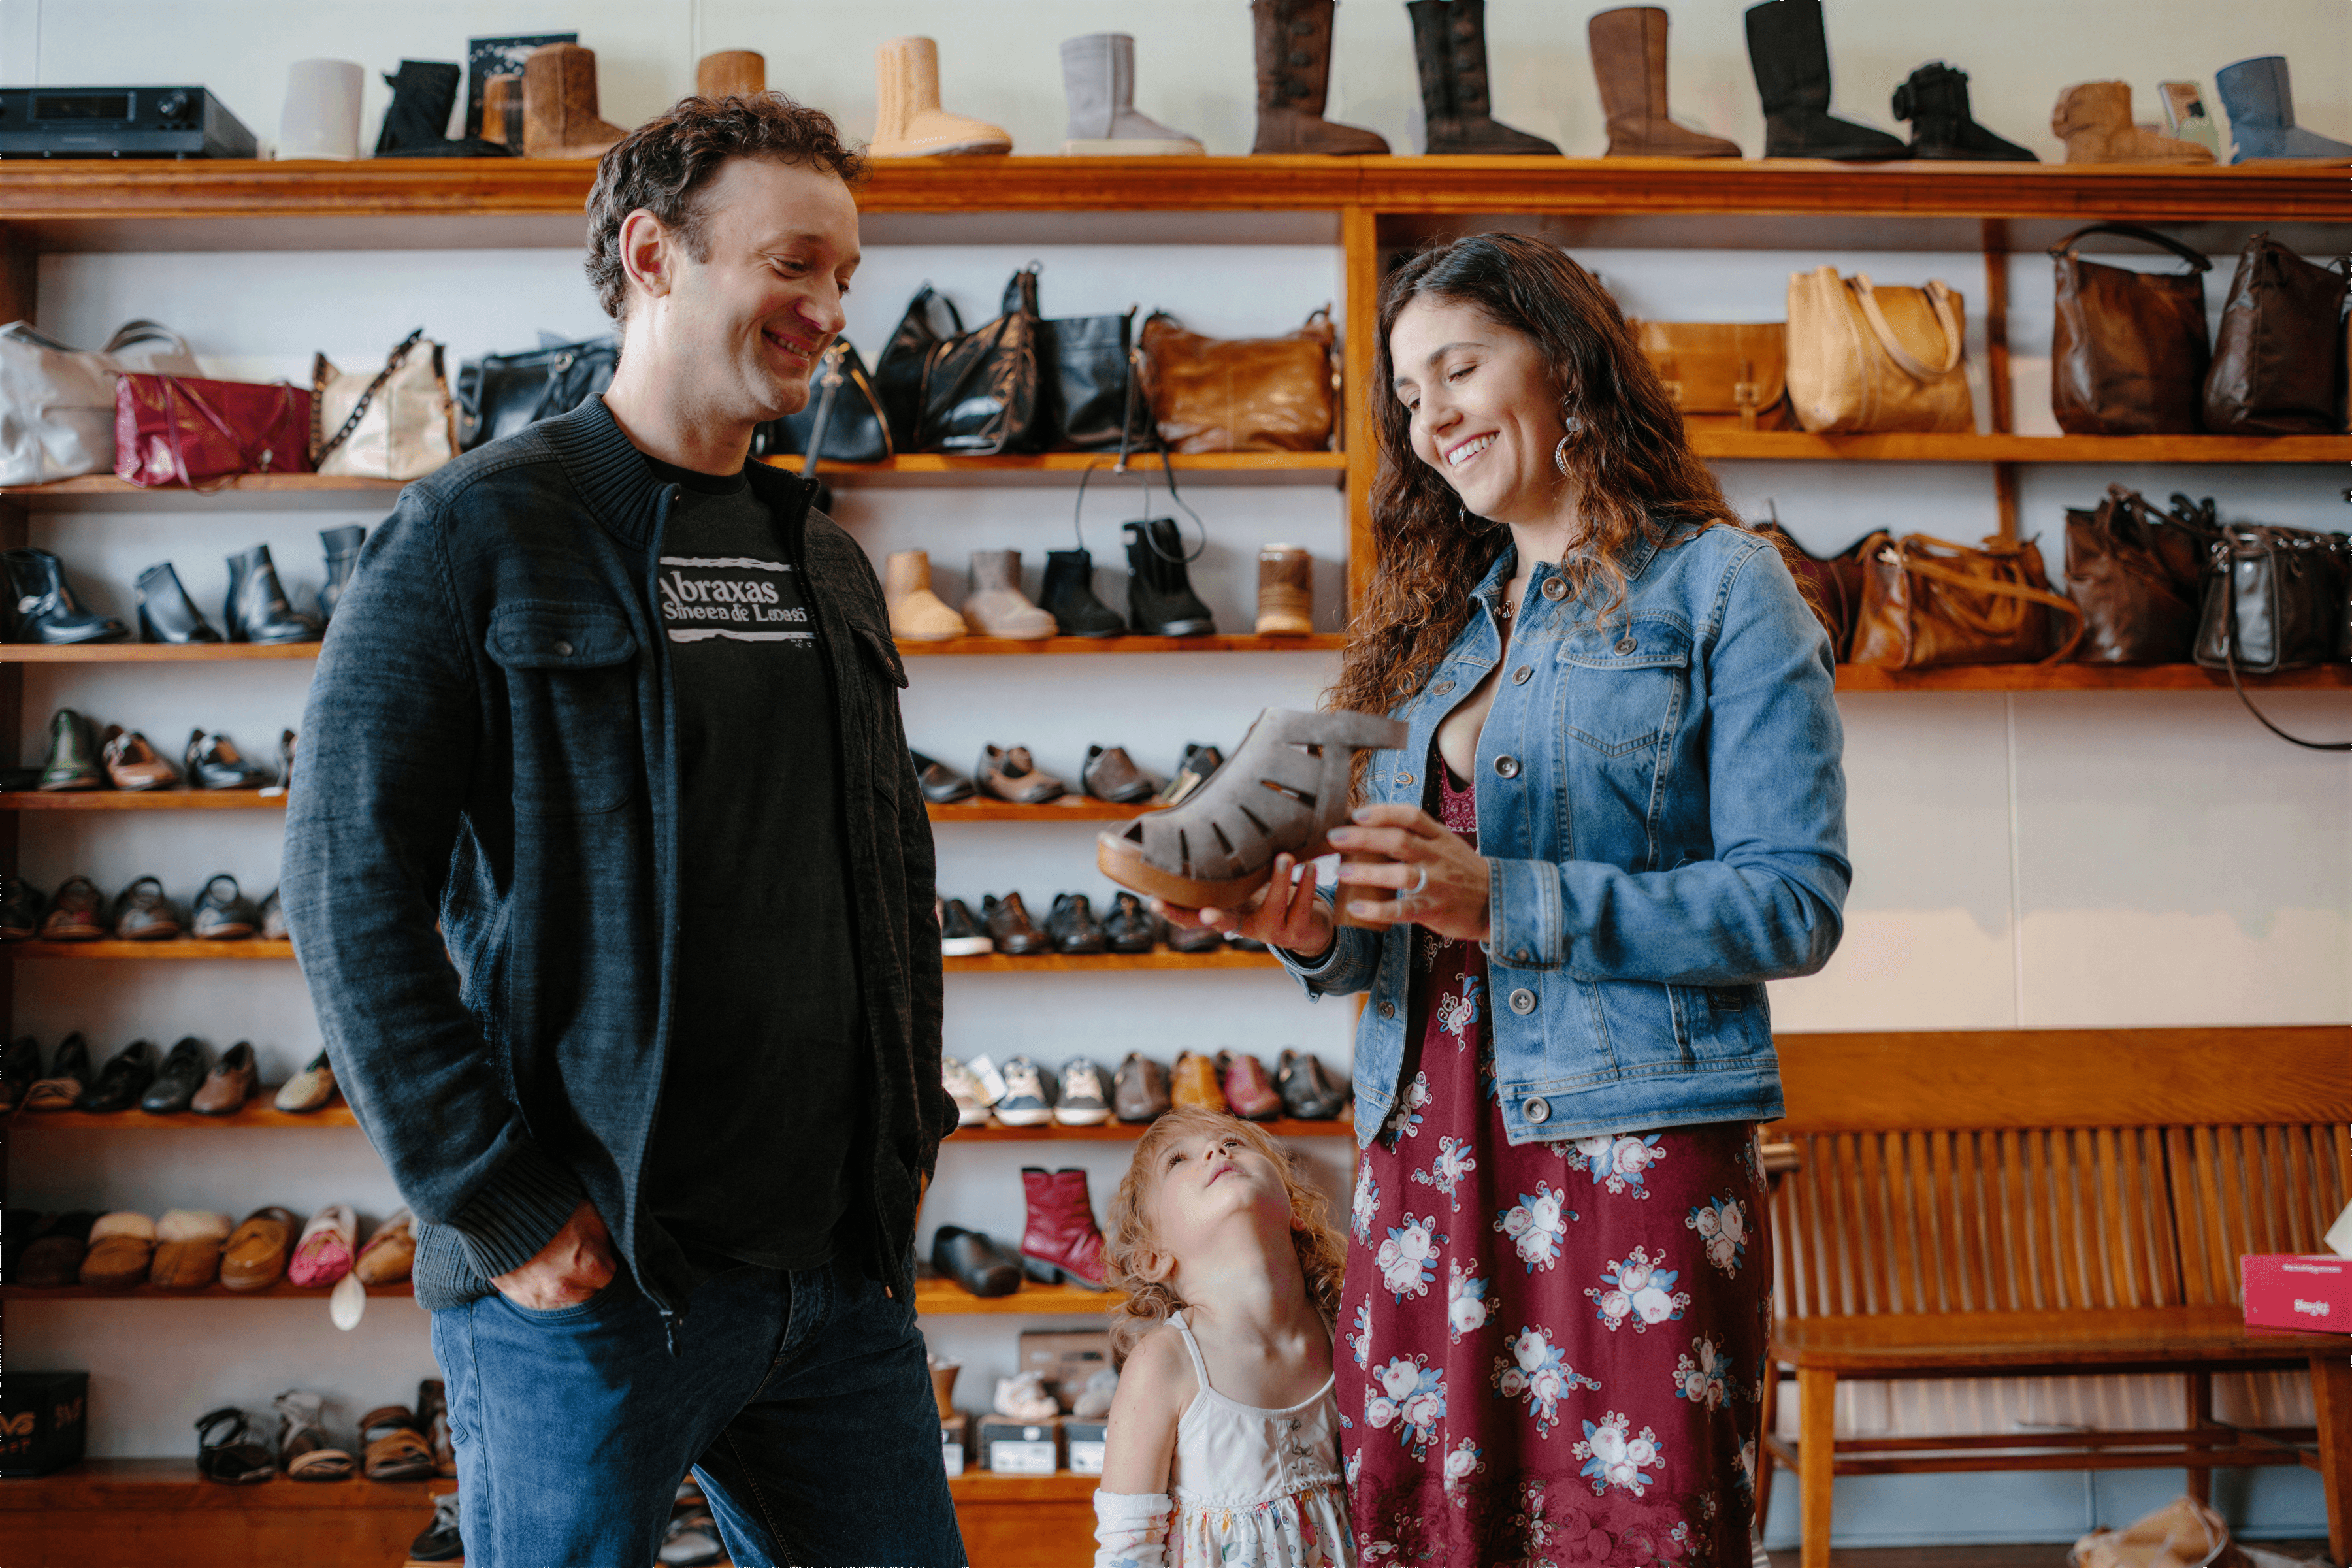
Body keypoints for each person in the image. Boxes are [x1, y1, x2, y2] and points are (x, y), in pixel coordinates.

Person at [281, 93, 962, 1567]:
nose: (829, 311)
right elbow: (345, 886)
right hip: (589, 1288)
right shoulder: (473, 530)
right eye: (794, 266)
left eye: (844, 277)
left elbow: (891, 872)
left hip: (835, 1281)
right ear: (654, 255)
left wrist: (908, 1137)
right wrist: (495, 1202)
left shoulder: (826, 556)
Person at [1164, 233, 1848, 1561]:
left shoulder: (1723, 586)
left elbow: (1792, 905)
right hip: (1428, 1146)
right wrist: (1321, 943)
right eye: (1409, 396)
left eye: (1460, 368)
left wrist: (1504, 899)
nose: (1432, 419)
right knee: (1427, 1525)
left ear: (1567, 360)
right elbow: (1412, 936)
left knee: (1641, 1527)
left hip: (1630, 1155)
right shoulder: (1436, 631)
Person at [1093, 1107, 1355, 1568]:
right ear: (1154, 1255)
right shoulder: (1165, 1364)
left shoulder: (1347, 1331)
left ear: (1295, 1209)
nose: (1216, 1150)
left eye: (1234, 1143)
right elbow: (1127, 1551)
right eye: (1178, 1160)